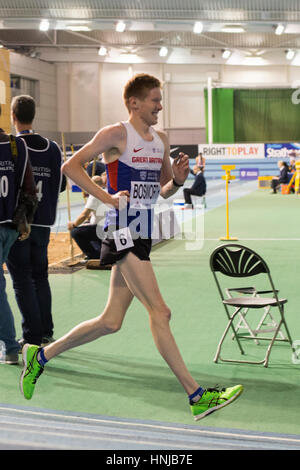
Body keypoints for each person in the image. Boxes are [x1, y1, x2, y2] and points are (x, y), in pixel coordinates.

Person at [20, 73, 243, 420]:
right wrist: (107, 198)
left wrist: (179, 181)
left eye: (160, 99)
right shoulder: (116, 135)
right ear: (134, 103)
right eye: (155, 100)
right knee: (161, 311)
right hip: (119, 228)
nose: (160, 106)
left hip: (142, 229)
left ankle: (41, 356)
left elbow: (163, 190)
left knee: (110, 321)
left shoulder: (161, 140)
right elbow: (70, 166)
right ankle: (196, 395)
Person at [6, 95, 65, 350]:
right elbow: (61, 184)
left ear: (13, 116)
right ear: (34, 115)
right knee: (41, 276)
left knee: (21, 279)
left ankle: (31, 335)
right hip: (45, 222)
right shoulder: (52, 147)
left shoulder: (13, 146)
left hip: (21, 221)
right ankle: (46, 332)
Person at [0, 103, 37, 365]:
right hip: (11, 227)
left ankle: (11, 348)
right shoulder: (16, 146)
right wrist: (26, 222)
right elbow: (29, 188)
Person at [68, 173, 106, 262]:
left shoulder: (94, 196)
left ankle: (93, 256)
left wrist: (73, 224)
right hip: (107, 226)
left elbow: (84, 215)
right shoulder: (106, 192)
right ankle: (99, 251)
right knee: (88, 226)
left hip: (101, 228)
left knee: (76, 232)